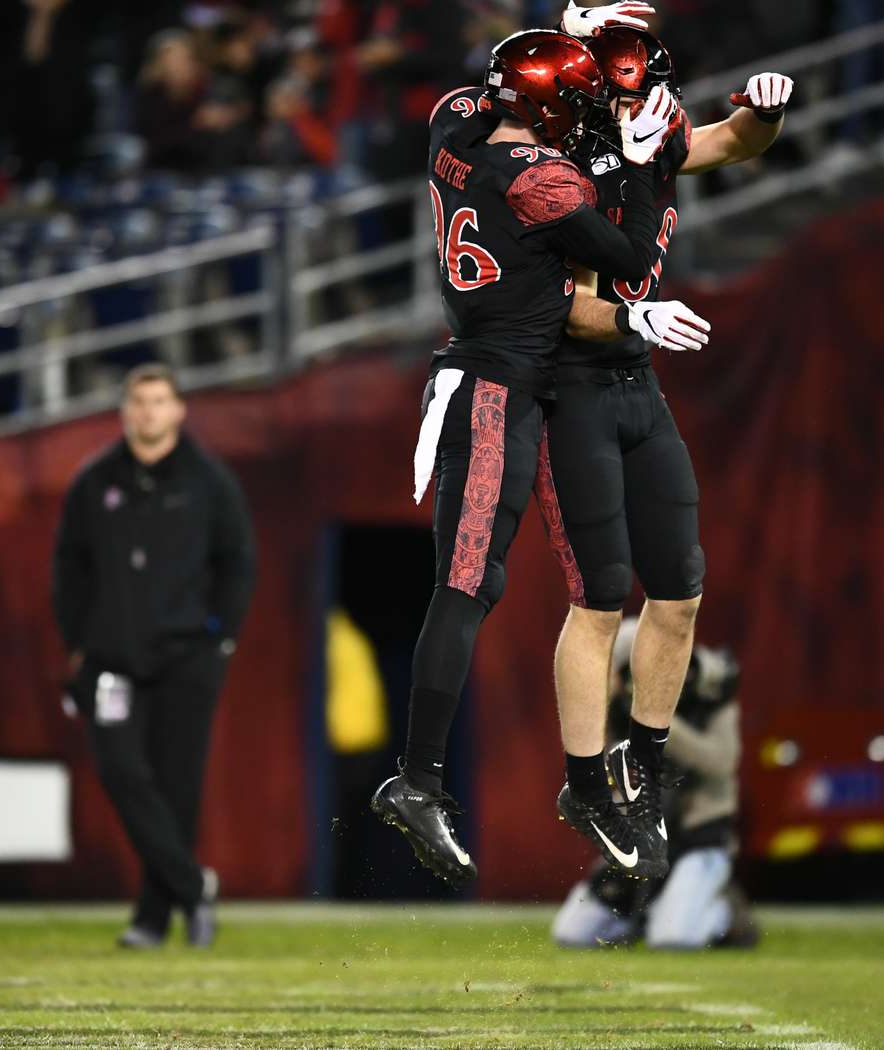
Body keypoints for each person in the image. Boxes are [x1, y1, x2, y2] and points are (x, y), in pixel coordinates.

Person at [370, 23, 691, 886]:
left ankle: (436, 779)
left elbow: (490, 107)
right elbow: (626, 257)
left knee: (483, 581)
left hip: (493, 378)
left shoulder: (454, 124)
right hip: (493, 386)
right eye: (574, 101)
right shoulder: (541, 177)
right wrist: (633, 164)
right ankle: (420, 779)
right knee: (470, 581)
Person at [536, 12, 793, 877]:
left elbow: (727, 143)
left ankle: (638, 764)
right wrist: (635, 306)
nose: (640, 96)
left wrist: (764, 114)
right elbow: (564, 302)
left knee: (679, 591)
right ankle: (585, 778)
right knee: (601, 598)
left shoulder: (653, 119)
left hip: (636, 383)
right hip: (569, 383)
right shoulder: (554, 158)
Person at [52, 363, 255, 948]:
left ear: (178, 410)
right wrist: (78, 641)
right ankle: (195, 890)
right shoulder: (95, 482)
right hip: (111, 658)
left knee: (178, 787)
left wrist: (222, 638)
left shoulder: (209, 481)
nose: (148, 412)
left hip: (189, 657)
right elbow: (69, 567)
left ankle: (152, 917)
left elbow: (238, 563)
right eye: (139, 401)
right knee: (121, 771)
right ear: (125, 411)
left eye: (159, 401)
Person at [552, 617, 755, 949]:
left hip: (696, 837)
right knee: (573, 932)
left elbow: (721, 762)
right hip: (642, 838)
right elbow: (604, 780)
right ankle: (651, 913)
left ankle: (725, 913)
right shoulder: (616, 710)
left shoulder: (711, 692)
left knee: (674, 938)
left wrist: (655, 723)